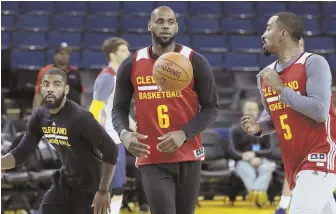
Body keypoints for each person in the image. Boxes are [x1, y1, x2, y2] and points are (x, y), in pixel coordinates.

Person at [112, 6, 219, 214]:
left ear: (177, 27)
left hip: (188, 155)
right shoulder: (131, 64)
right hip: (152, 157)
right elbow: (118, 109)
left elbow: (211, 108)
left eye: (170, 22)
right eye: (160, 21)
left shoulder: (194, 60)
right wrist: (124, 134)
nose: (165, 26)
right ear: (150, 25)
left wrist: (184, 133)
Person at [241, 12, 336, 214]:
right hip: (293, 161)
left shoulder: (314, 63)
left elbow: (320, 112)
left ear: (283, 33)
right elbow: (273, 118)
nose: (263, 34)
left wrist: (282, 89)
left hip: (320, 156)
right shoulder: (264, 76)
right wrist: (258, 127)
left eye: (268, 28)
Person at [1, 67, 119, 214]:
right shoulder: (40, 115)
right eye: (46, 84)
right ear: (41, 88)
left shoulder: (81, 117)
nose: (50, 89)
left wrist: (103, 190)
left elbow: (111, 150)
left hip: (92, 187)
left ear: (66, 89)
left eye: (56, 84)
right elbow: (20, 154)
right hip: (65, 182)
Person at [89, 37, 136, 214]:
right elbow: (94, 110)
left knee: (118, 188)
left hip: (118, 139)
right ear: (113, 54)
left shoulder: (119, 77)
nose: (128, 53)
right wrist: (97, 139)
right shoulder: (107, 78)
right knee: (107, 188)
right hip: (107, 140)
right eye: (124, 50)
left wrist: (134, 126)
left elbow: (118, 109)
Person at [274, 37, 305, 214]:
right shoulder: (278, 71)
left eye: (301, 45)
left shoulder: (312, 67)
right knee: (295, 168)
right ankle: (283, 205)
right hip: (292, 127)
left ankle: (283, 206)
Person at [230, 99, 274, 207]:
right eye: (248, 109)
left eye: (254, 109)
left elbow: (269, 150)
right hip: (242, 162)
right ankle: (259, 200)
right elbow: (231, 151)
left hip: (260, 160)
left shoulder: (264, 129)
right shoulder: (235, 130)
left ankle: (255, 198)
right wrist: (244, 156)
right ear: (243, 111)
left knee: (267, 169)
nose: (251, 112)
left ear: (258, 111)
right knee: (249, 173)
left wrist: (256, 156)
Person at [32, 43, 85, 110]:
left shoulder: (75, 72)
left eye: (67, 54)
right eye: (61, 53)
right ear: (55, 55)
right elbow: (38, 95)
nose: (64, 56)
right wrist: (35, 114)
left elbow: (82, 94)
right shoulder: (46, 71)